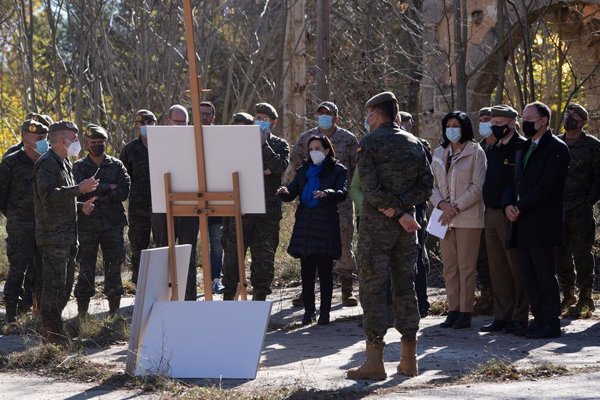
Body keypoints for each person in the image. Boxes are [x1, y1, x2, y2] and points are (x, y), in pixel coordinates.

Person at [347, 92, 432, 380]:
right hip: (406, 230)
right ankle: (410, 359)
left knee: (372, 290)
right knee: (405, 289)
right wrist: (404, 211)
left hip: (377, 229)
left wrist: (394, 212)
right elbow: (426, 186)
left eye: (368, 114)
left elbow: (368, 190)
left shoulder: (369, 143)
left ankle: (374, 362)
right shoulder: (415, 143)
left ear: (374, 114)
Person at [503, 101, 570, 339]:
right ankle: (538, 318)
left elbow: (547, 187)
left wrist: (520, 205)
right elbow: (515, 181)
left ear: (543, 121)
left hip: (541, 221)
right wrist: (508, 204)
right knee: (528, 273)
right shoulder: (525, 147)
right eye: (523, 117)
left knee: (543, 272)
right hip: (521, 221)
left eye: (530, 118)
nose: (525, 122)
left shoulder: (556, 148)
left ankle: (551, 321)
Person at [33, 121, 98, 343]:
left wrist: (81, 205)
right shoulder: (47, 164)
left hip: (68, 238)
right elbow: (49, 196)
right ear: (63, 140)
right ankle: (51, 337)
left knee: (65, 287)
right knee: (53, 288)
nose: (78, 143)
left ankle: (55, 333)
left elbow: (64, 197)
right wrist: (79, 188)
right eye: (75, 139)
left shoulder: (64, 163)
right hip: (53, 238)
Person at [289, 101, 359, 307]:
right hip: (313, 205)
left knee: (343, 243)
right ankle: (307, 292)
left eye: (327, 114)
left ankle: (346, 290)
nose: (323, 117)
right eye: (320, 114)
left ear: (336, 117)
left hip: (341, 203)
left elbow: (355, 168)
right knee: (310, 247)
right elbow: (297, 163)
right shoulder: (306, 139)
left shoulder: (348, 139)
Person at [221, 103, 290, 301]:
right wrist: (262, 171)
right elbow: (236, 169)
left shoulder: (280, 145)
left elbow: (278, 167)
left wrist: (262, 145)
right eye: (257, 118)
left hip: (267, 212)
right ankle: (229, 301)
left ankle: (259, 301)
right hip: (242, 209)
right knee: (233, 259)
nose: (259, 122)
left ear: (273, 123)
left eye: (265, 119)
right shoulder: (239, 143)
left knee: (264, 260)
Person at [277, 135, 347, 325]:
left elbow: (342, 192)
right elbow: (291, 193)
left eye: (317, 148)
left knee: (325, 272)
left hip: (325, 225)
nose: (313, 151)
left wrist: (327, 193)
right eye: (311, 148)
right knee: (306, 273)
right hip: (305, 226)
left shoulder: (337, 170)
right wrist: (284, 193)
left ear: (326, 150)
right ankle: (308, 312)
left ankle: (324, 313)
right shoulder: (303, 171)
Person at [431, 111, 486, 329]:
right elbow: (431, 185)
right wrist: (441, 205)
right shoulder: (438, 152)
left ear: (464, 128)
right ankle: (452, 309)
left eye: (456, 125)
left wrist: (455, 207)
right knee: (450, 268)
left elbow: (478, 186)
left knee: (466, 267)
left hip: (467, 218)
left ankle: (465, 311)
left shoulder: (476, 151)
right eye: (448, 125)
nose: (452, 129)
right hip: (442, 217)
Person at [480, 105, 528, 335]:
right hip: (490, 212)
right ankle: (502, 315)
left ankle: (520, 316)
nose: (495, 128)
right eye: (493, 124)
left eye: (499, 124)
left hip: (510, 213)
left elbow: (520, 181)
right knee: (497, 267)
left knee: (515, 266)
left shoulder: (521, 147)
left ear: (511, 123)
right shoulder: (494, 148)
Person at [73, 124, 130, 318]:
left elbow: (124, 191)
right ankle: (82, 314)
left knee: (114, 267)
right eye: (93, 142)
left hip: (113, 224)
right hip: (87, 226)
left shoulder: (116, 165)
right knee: (86, 268)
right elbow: (77, 192)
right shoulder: (79, 167)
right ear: (87, 143)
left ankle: (114, 313)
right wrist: (108, 187)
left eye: (101, 142)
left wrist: (97, 191)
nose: (97, 145)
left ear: (106, 141)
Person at [0, 120, 49, 323]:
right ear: (25, 138)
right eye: (38, 139)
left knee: (40, 269)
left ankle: (34, 311)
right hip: (20, 225)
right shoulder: (10, 163)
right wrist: (14, 215)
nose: (43, 142)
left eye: (44, 138)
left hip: (44, 225)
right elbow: (1, 196)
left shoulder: (49, 162)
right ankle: (11, 314)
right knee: (18, 268)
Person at [151, 105, 201, 300]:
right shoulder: (157, 142)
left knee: (187, 253)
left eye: (184, 122)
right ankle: (163, 297)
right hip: (162, 206)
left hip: (189, 206)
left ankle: (188, 298)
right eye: (177, 122)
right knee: (163, 251)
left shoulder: (195, 142)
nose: (181, 126)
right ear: (167, 121)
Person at [555, 103, 600, 314]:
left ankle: (586, 296)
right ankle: (568, 293)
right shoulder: (555, 143)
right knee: (559, 251)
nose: (568, 118)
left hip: (580, 207)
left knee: (582, 252)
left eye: (573, 116)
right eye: (567, 114)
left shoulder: (592, 145)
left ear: (582, 122)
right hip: (556, 207)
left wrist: (588, 201)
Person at [120, 109, 157, 285]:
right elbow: (123, 177)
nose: (145, 126)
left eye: (149, 122)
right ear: (136, 125)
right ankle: (139, 285)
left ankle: (162, 283)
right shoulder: (130, 149)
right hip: (138, 208)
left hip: (161, 206)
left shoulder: (165, 145)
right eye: (141, 123)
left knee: (162, 247)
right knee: (139, 249)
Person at [474, 107, 495, 315]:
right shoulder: (477, 149)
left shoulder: (506, 147)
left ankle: (504, 299)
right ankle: (487, 296)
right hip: (477, 209)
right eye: (481, 120)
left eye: (488, 120)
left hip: (498, 209)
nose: (484, 124)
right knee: (481, 256)